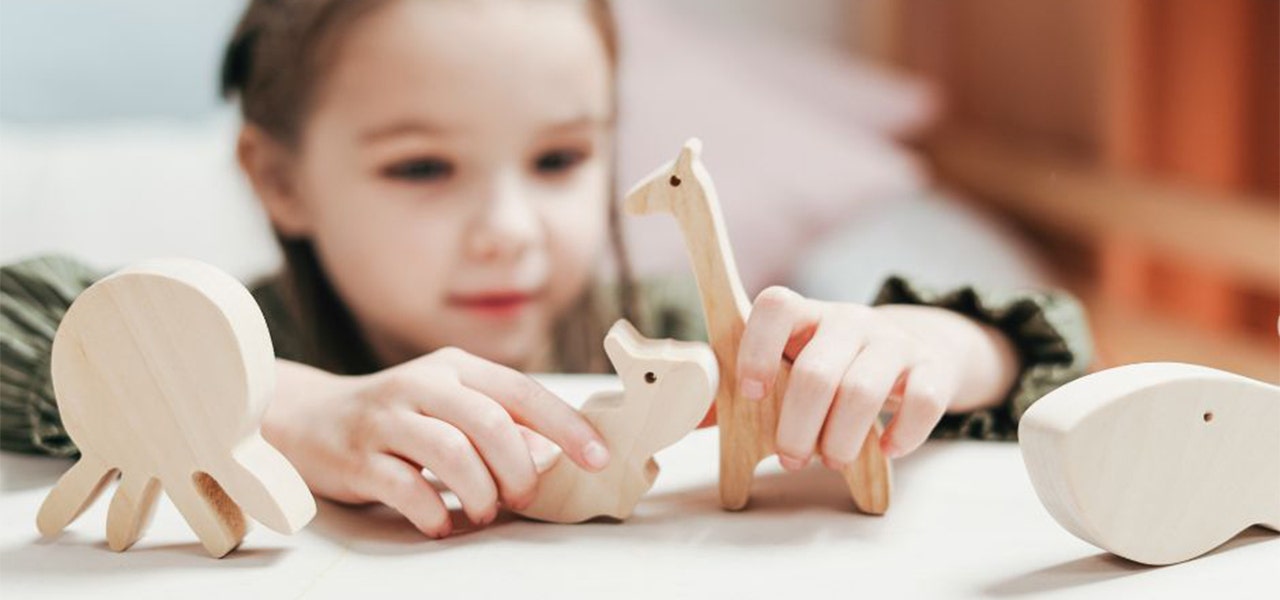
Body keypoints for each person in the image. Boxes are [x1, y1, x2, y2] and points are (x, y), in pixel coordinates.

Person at [0, 0, 1091, 538]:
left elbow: (1048, 357)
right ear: (278, 182)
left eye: (561, 158)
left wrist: (942, 350)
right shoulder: (253, 339)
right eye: (422, 167)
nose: (509, 229)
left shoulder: (673, 341)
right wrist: (286, 408)